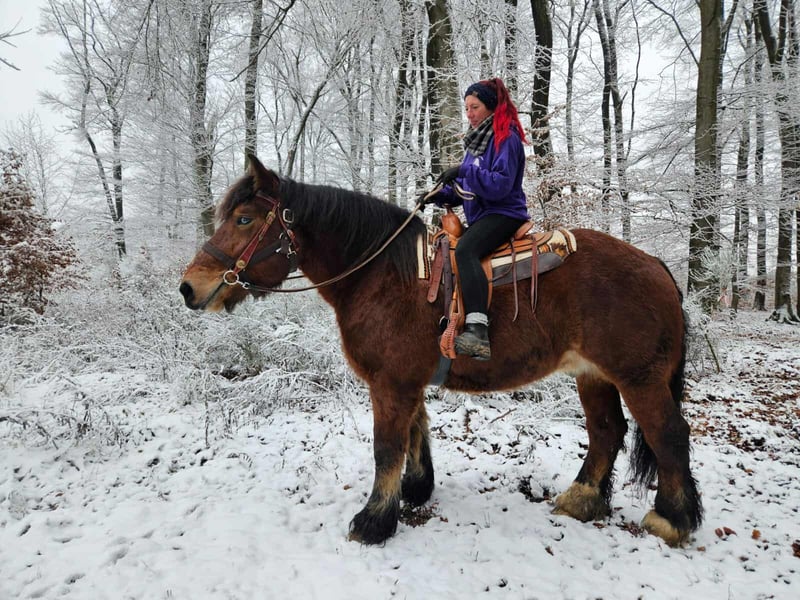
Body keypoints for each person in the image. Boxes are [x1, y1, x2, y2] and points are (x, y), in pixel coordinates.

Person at [433, 77, 530, 361]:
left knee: (466, 250)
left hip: (505, 213)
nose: (469, 114)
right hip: (482, 216)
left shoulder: (506, 139)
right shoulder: (475, 144)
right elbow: (468, 188)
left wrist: (463, 171)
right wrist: (438, 195)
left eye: (474, 107)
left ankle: (478, 331)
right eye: (466, 108)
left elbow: (500, 185)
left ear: (490, 107)